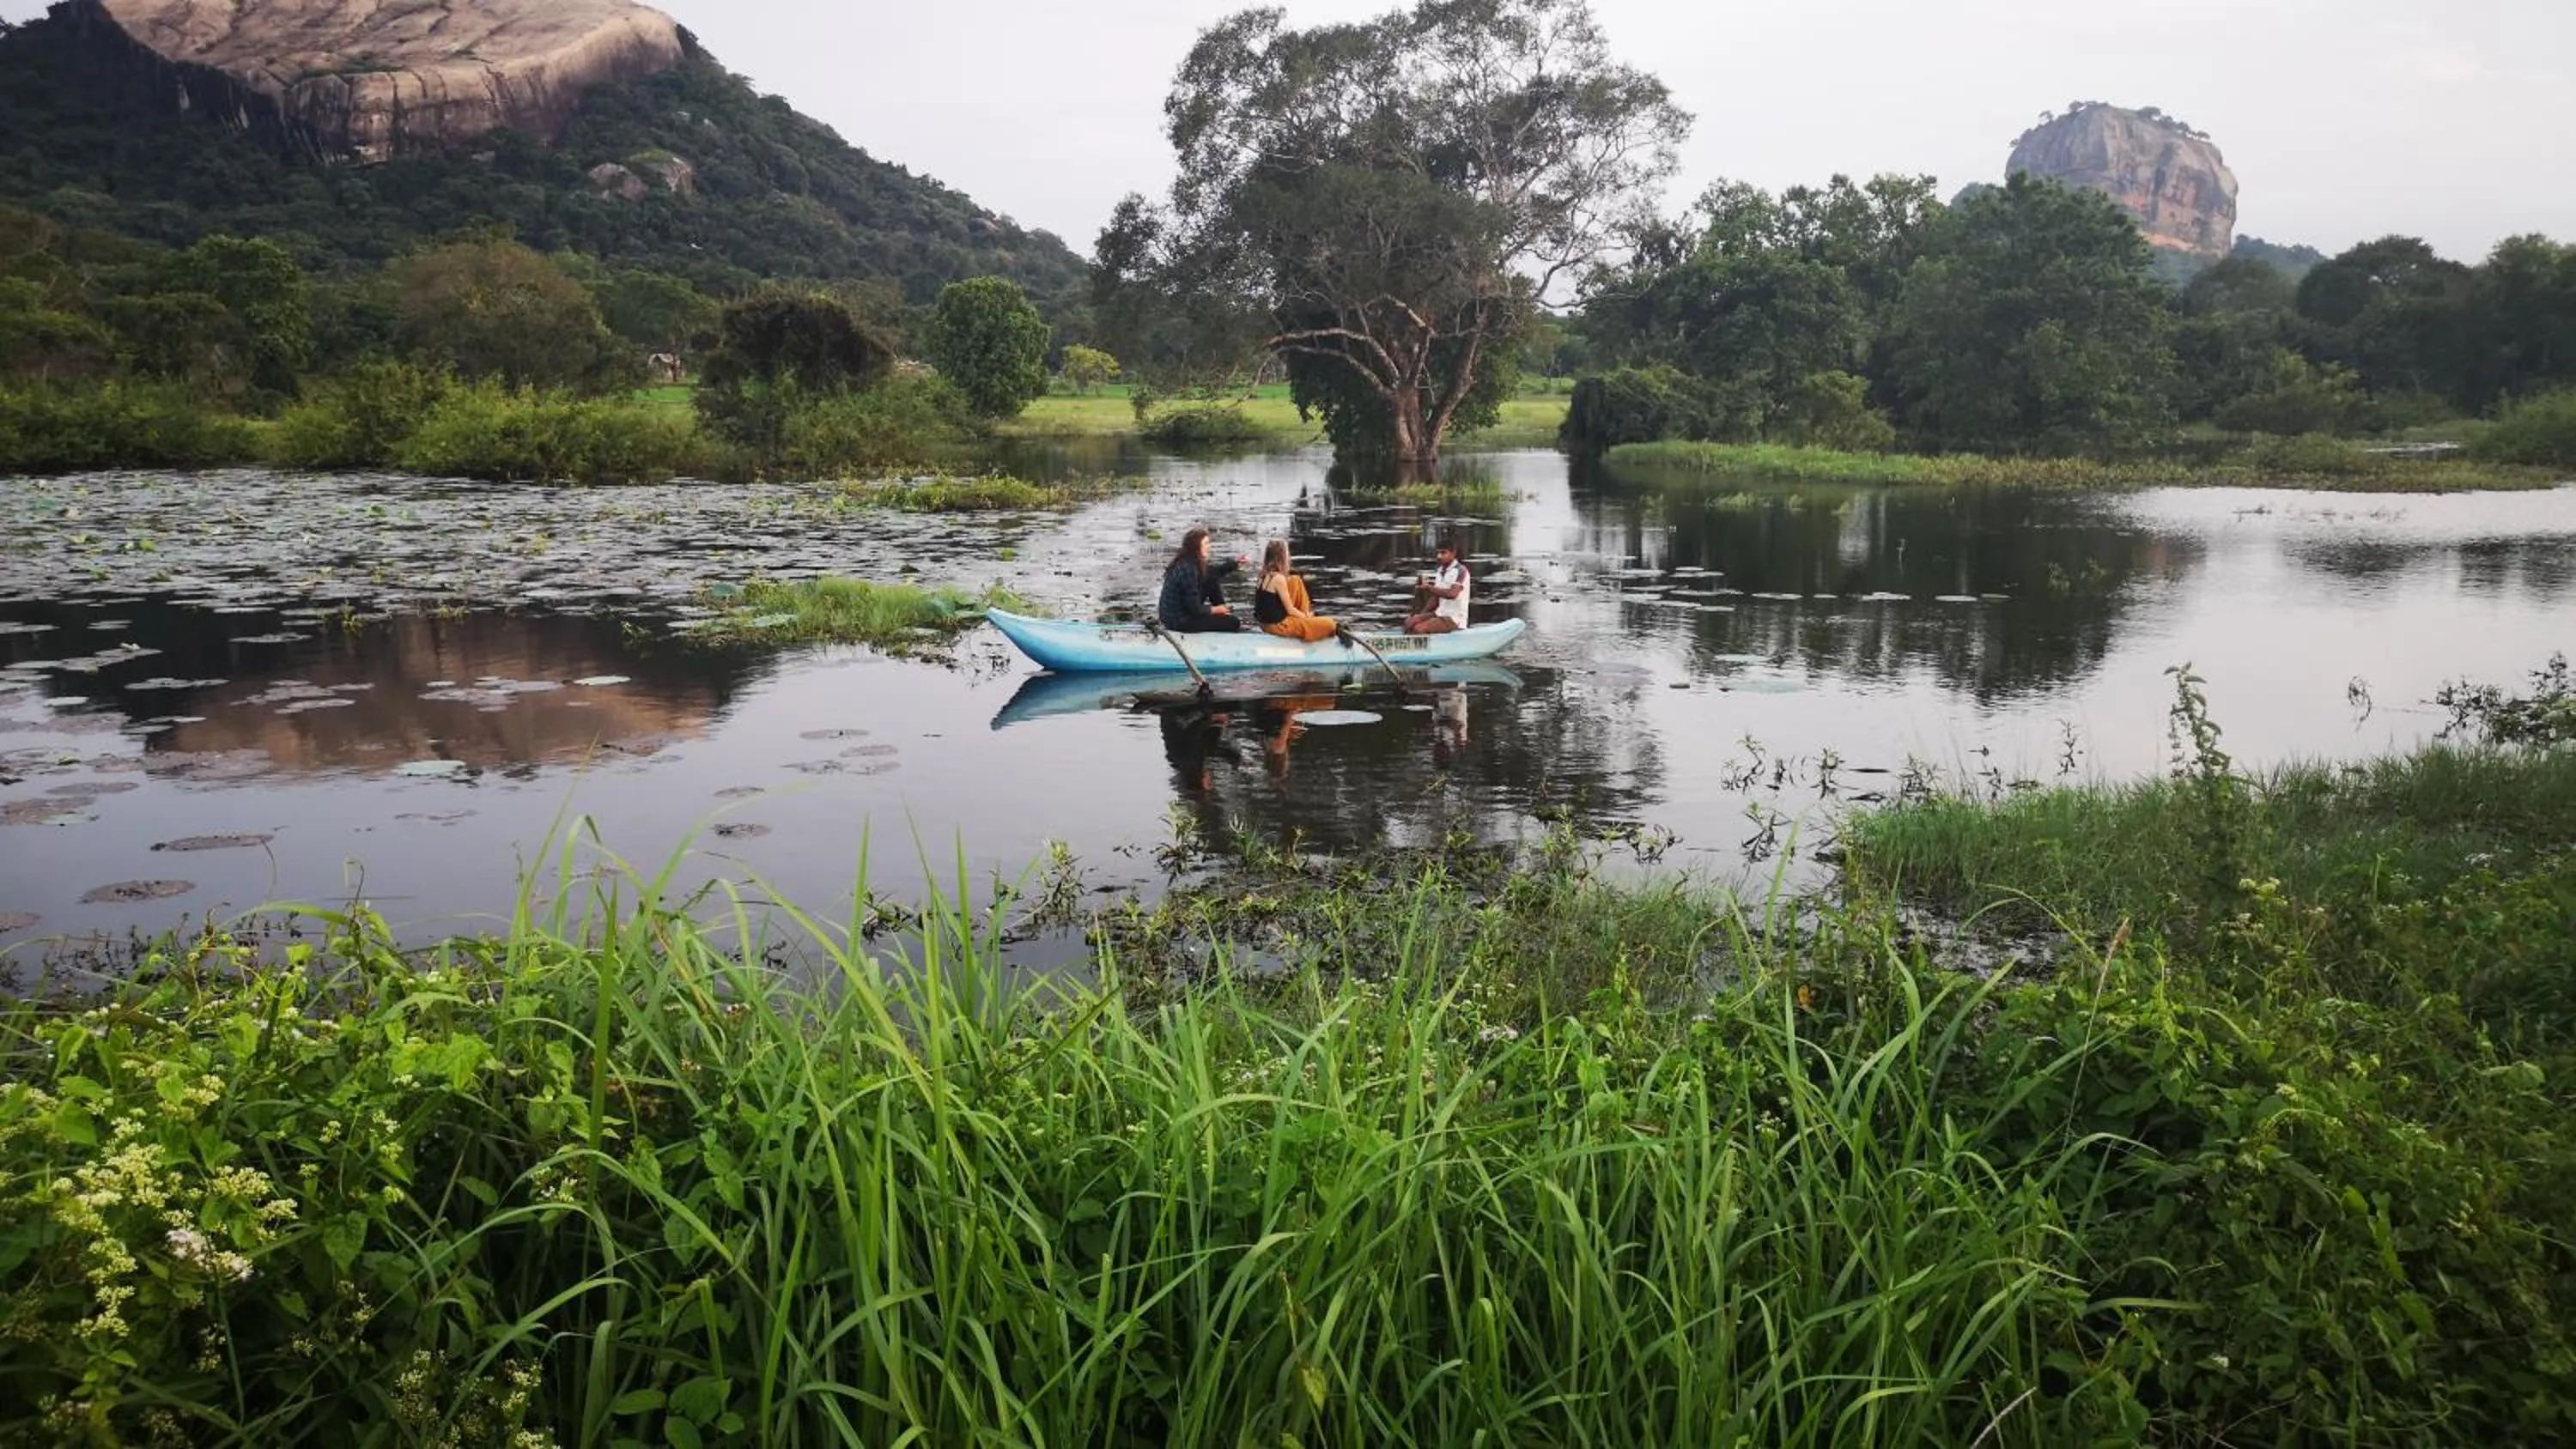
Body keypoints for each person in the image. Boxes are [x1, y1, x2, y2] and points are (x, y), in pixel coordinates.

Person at [1157, 527, 1248, 634]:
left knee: (1211, 576)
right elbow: (1194, 609)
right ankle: (1223, 614)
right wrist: (1215, 610)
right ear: (1196, 547)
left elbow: (1214, 572)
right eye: (1206, 543)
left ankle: (1223, 612)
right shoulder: (1188, 569)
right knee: (1233, 622)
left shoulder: (1189, 560)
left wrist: (1235, 563)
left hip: (1184, 612)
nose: (1209, 547)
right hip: (1178, 621)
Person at [1251, 540, 1342, 643]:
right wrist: (1307, 618)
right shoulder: (1278, 578)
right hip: (1278, 626)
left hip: (1264, 624)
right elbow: (1290, 610)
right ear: (1282, 557)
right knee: (1330, 624)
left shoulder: (1262, 575)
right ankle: (1309, 621)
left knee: (1295, 580)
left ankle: (1306, 615)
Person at [1404, 540, 1472, 635]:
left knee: (1419, 628)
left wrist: (1428, 588)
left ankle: (1423, 647)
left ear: (1453, 553)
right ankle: (1408, 644)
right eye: (1438, 553)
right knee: (1410, 622)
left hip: (1454, 618)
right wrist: (1420, 615)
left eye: (1443, 553)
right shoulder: (1440, 571)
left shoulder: (1461, 571)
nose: (1439, 556)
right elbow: (1436, 597)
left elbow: (1453, 594)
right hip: (1440, 613)